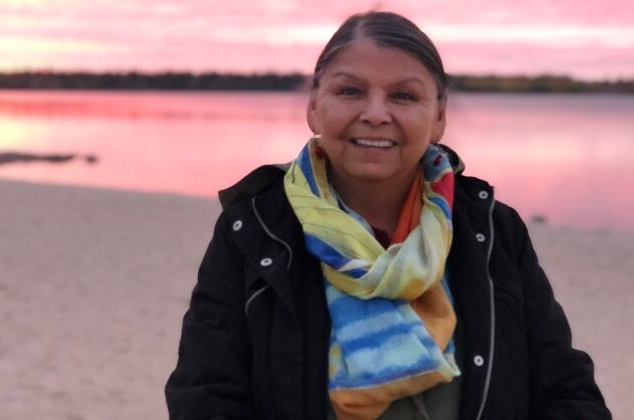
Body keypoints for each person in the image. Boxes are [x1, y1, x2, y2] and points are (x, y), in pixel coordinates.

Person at [165, 10, 611, 420]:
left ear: (438, 117)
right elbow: (205, 398)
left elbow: (569, 393)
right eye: (350, 91)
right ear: (313, 106)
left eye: (403, 95)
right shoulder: (258, 230)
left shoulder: (492, 231)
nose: (375, 114)